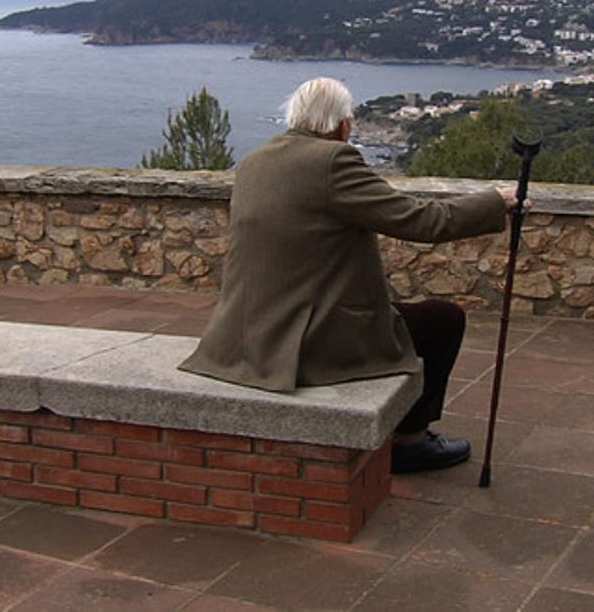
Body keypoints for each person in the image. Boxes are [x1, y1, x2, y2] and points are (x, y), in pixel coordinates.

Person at [178, 77, 520, 473]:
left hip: (240, 334)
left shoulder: (254, 162)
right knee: (444, 320)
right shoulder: (334, 161)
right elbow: (421, 221)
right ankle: (409, 439)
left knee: (404, 314)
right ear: (343, 125)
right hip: (301, 341)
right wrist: (496, 201)